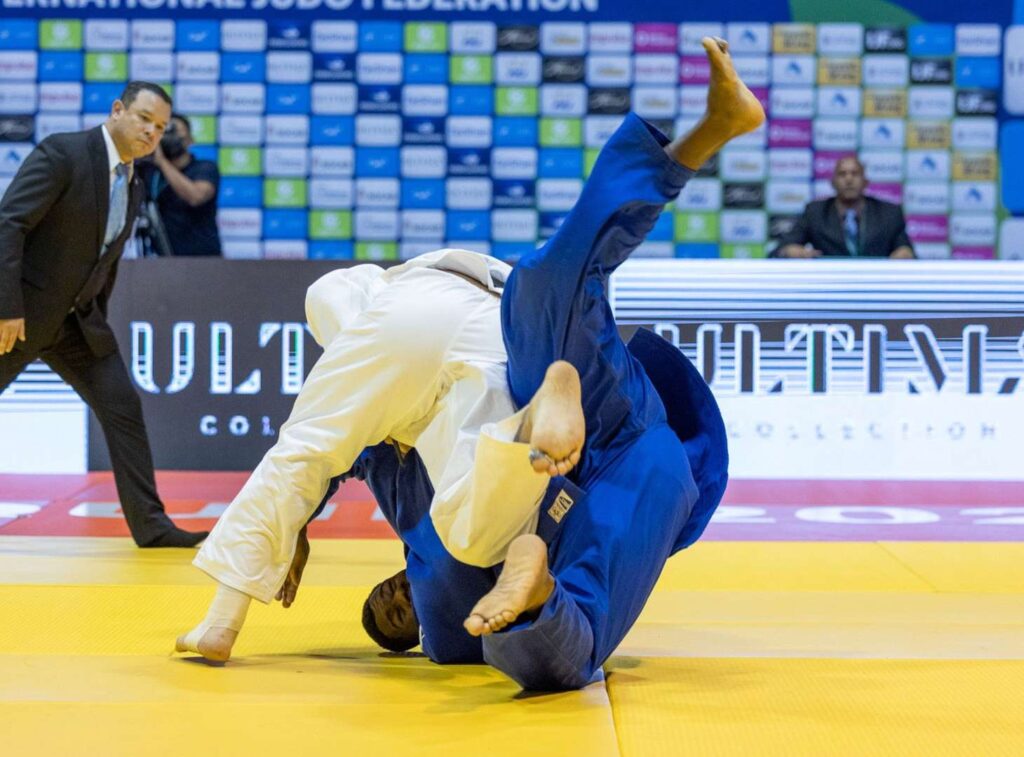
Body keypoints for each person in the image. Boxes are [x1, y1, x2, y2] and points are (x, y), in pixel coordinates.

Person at [176, 38, 756, 690]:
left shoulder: (414, 512)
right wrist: (290, 524)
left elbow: (320, 450)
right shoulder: (439, 554)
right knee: (482, 619)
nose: (396, 601)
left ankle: (701, 139)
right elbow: (323, 449)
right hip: (504, 399)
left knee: (544, 295)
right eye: (400, 614)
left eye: (384, 600)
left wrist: (291, 527)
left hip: (611, 427)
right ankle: (536, 587)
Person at [0, 82, 208, 548]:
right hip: (22, 316)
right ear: (117, 110)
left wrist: (94, 314)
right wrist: (6, 308)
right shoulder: (64, 153)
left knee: (123, 409)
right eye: (143, 119)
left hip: (77, 325)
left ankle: (152, 528)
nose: (152, 133)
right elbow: (8, 223)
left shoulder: (133, 180)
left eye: (160, 128)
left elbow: (101, 259)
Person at [772, 156, 915, 259]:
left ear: (865, 182)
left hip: (877, 286)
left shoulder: (889, 213)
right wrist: (789, 251)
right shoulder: (815, 212)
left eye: (855, 174)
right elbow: (779, 250)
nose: (849, 179)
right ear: (833, 183)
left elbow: (907, 251)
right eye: (842, 174)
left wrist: (904, 253)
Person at [140, 113, 222, 257]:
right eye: (163, 132)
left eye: (174, 131)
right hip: (162, 262)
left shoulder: (204, 168)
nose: (168, 137)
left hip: (203, 261)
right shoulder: (150, 173)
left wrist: (162, 161)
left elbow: (195, 197)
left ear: (190, 139)